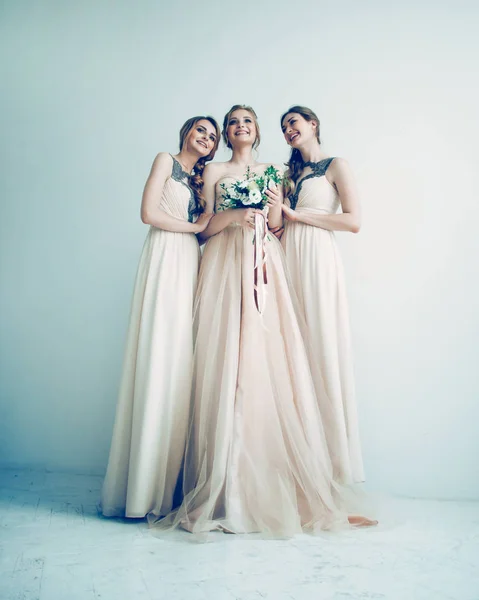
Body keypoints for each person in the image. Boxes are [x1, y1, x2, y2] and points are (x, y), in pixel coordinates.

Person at [150, 105, 375, 536]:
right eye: (232, 122)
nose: (239, 128)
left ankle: (262, 479)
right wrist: (233, 217)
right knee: (223, 357)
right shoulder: (213, 170)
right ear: (226, 133)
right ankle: (219, 484)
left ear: (256, 131)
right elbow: (202, 228)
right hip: (223, 261)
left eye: (247, 122)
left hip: (264, 261)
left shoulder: (276, 170)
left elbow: (277, 225)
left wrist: (271, 208)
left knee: (264, 357)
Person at [100, 116, 220, 518]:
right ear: (187, 132)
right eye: (201, 130)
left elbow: (205, 231)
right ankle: (140, 490)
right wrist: (194, 225)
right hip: (164, 255)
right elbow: (148, 213)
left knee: (178, 360)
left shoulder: (204, 179)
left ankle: (168, 487)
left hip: (190, 261)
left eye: (212, 135)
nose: (206, 138)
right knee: (156, 351)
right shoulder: (164, 160)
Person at [279, 105, 365, 485]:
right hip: (287, 256)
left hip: (317, 256)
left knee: (322, 346)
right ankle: (298, 459)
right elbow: (279, 221)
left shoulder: (336, 165)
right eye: (283, 128)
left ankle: (333, 469)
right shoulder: (286, 175)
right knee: (290, 350)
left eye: (293, 123)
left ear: (313, 124)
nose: (288, 130)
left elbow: (353, 221)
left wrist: (301, 217)